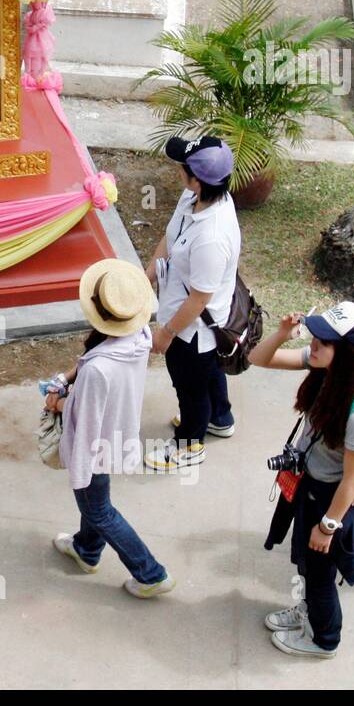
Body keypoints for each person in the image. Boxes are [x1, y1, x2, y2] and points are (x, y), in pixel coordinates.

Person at [249, 302, 354, 658]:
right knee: (307, 566)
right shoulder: (326, 368)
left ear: (347, 353)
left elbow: (352, 482)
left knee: (321, 576)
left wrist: (328, 526)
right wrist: (280, 333)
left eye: (325, 340)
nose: (314, 344)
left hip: (330, 500)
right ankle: (306, 611)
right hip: (309, 485)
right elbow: (258, 359)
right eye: (316, 336)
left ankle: (325, 640)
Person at [46, 259, 174, 598]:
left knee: (99, 510)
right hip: (118, 433)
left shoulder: (97, 370)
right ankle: (86, 550)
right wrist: (67, 378)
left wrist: (57, 403)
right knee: (96, 503)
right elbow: (94, 359)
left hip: (94, 445)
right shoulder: (139, 335)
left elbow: (83, 415)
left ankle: (151, 573)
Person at [143, 137, 242, 474]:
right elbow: (170, 237)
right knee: (208, 372)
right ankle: (220, 417)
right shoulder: (196, 196)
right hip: (188, 318)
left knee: (189, 387)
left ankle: (189, 444)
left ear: (197, 178)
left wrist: (167, 334)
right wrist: (148, 278)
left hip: (193, 329)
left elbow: (200, 298)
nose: (178, 171)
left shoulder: (212, 237)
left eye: (182, 168)